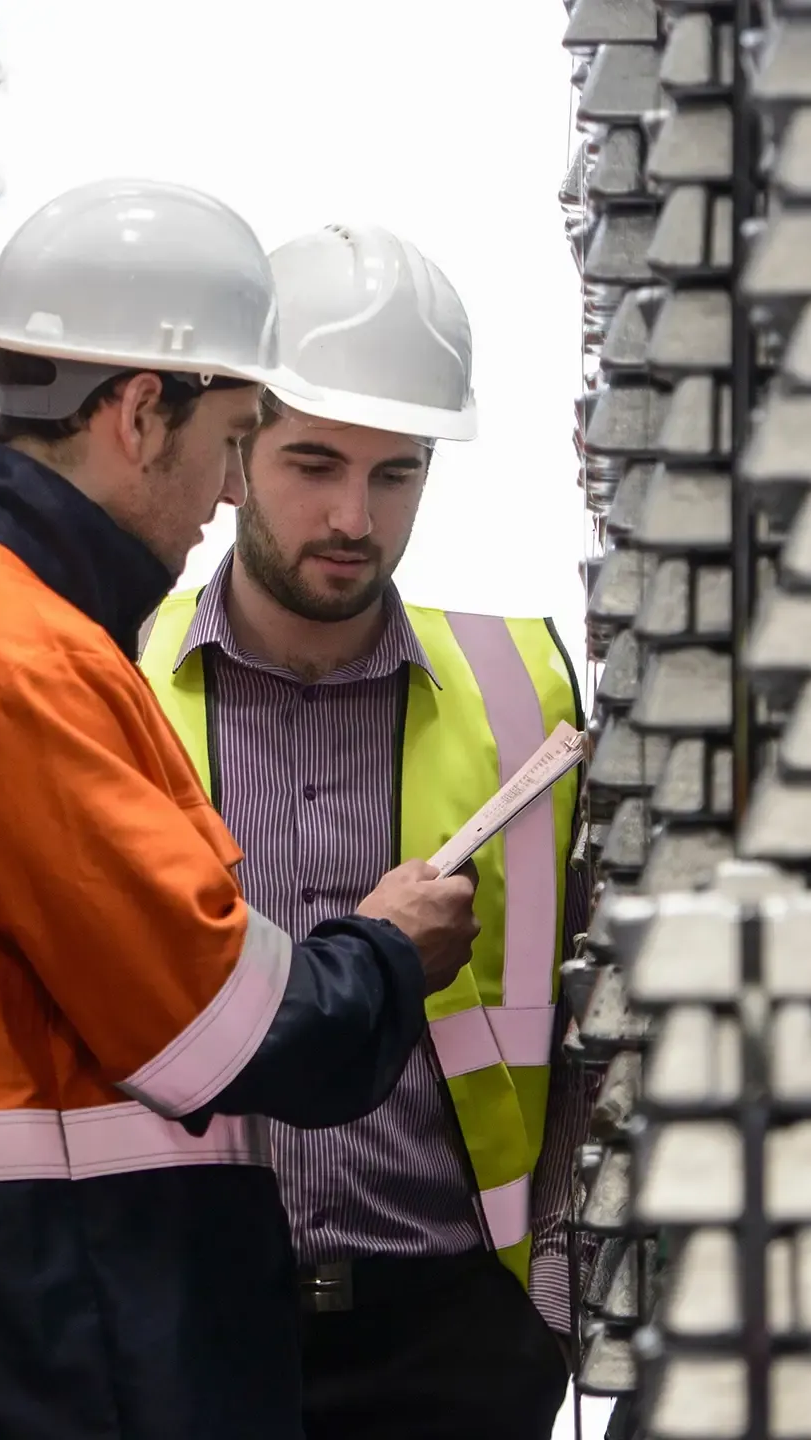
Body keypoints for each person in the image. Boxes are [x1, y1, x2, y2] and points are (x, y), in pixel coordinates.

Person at [0, 179, 483, 1440]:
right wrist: (387, 953)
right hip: (51, 1341)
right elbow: (220, 1031)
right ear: (134, 415)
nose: (228, 493)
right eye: (235, 442)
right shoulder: (12, 657)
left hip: (14, 1316)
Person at [136, 223, 589, 1440]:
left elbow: (594, 1018)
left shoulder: (526, 689)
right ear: (235, 452)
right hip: (176, 1329)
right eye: (314, 462)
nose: (353, 516)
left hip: (451, 1340)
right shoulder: (109, 677)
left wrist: (542, 1317)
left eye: (396, 475)